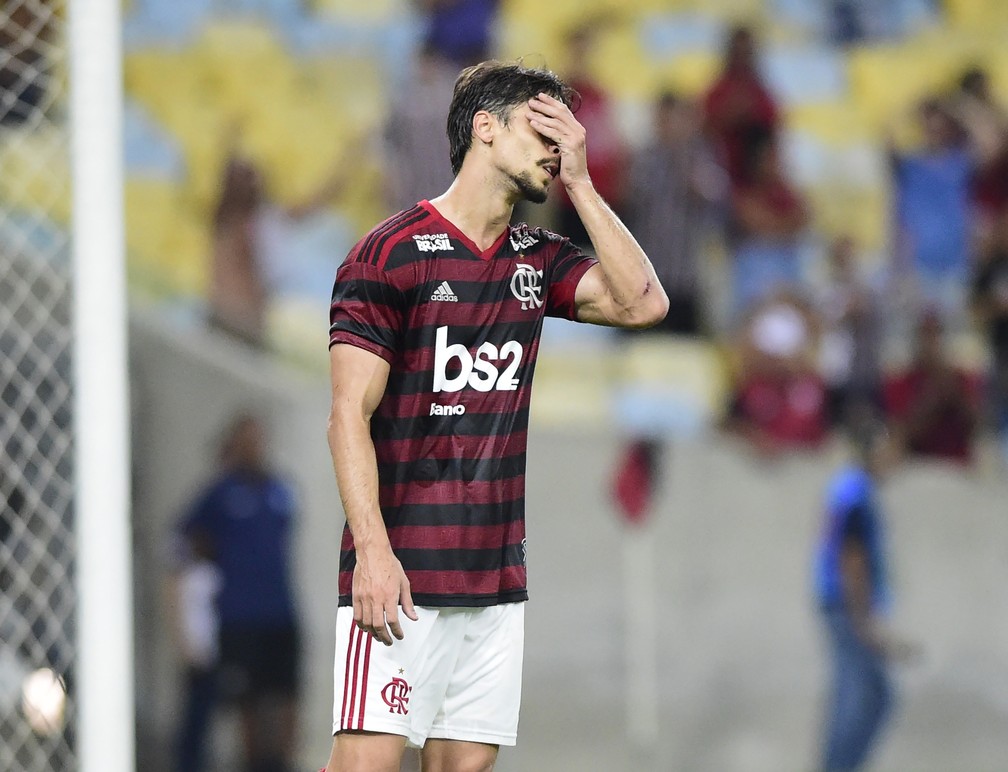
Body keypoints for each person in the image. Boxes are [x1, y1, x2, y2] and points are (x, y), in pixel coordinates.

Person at [325, 59, 668, 771]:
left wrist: (582, 181)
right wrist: (374, 552)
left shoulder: (536, 259)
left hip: (493, 582)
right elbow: (346, 416)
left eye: (563, 136)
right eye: (542, 130)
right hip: (404, 573)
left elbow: (644, 303)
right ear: (485, 129)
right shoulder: (388, 254)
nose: (556, 147)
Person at [176, 413, 301, 772]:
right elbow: (184, 537)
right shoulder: (220, 493)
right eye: (247, 438)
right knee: (247, 700)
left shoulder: (281, 490)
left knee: (286, 693)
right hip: (239, 617)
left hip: (281, 611)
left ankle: (283, 763)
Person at [812, 420, 913, 771]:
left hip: (847, 606)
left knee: (863, 695)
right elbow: (852, 557)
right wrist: (866, 622)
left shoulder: (852, 489)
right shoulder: (855, 491)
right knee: (862, 697)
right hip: (848, 607)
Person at [882, 309, 981, 464]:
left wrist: (955, 392)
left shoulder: (960, 378)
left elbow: (976, 427)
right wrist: (933, 398)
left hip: (956, 469)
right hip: (917, 467)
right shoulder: (900, 382)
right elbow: (900, 436)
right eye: (925, 334)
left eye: (936, 334)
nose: (930, 341)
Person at [702, 24, 780, 188]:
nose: (742, 57)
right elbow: (701, 132)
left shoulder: (762, 94)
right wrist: (729, 115)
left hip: (753, 184)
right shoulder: (716, 92)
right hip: (718, 180)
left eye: (747, 52)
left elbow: (772, 133)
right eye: (738, 51)